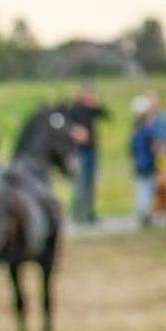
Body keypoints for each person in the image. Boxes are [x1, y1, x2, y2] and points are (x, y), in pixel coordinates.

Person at [64, 81, 108, 224]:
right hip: (79, 152)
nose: (89, 96)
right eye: (86, 93)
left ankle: (89, 213)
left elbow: (106, 115)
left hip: (92, 150)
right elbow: (65, 124)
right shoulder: (74, 109)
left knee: (90, 183)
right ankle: (77, 215)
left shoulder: (91, 109)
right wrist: (74, 131)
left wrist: (96, 104)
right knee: (80, 184)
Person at [128, 95, 159, 229]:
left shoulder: (135, 130)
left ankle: (141, 214)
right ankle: (144, 215)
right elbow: (155, 148)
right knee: (146, 189)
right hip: (147, 164)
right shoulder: (147, 130)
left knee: (140, 188)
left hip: (138, 163)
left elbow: (131, 149)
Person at [146, 90, 166, 226]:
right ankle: (158, 212)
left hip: (162, 156)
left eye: (153, 99)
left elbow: (164, 138)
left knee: (163, 184)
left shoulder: (163, 117)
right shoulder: (148, 117)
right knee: (155, 185)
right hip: (151, 156)